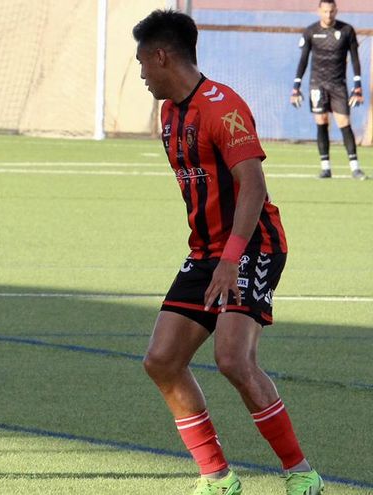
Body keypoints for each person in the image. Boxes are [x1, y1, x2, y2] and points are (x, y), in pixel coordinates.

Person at [133, 10, 325, 495]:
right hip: (206, 252)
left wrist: (230, 258)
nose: (140, 74)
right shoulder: (169, 113)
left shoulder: (224, 107)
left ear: (161, 56)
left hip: (252, 244)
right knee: (161, 360)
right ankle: (218, 477)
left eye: (141, 63)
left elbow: (253, 186)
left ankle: (301, 473)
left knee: (233, 360)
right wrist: (213, 256)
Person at [291, 0, 367, 180]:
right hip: (317, 84)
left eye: (331, 11)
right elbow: (303, 60)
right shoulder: (311, 31)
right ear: (319, 11)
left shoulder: (347, 30)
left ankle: (355, 167)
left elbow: (355, 59)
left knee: (343, 122)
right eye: (325, 11)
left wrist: (357, 86)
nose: (328, 15)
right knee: (321, 121)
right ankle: (326, 168)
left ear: (336, 11)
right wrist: (296, 87)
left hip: (338, 84)